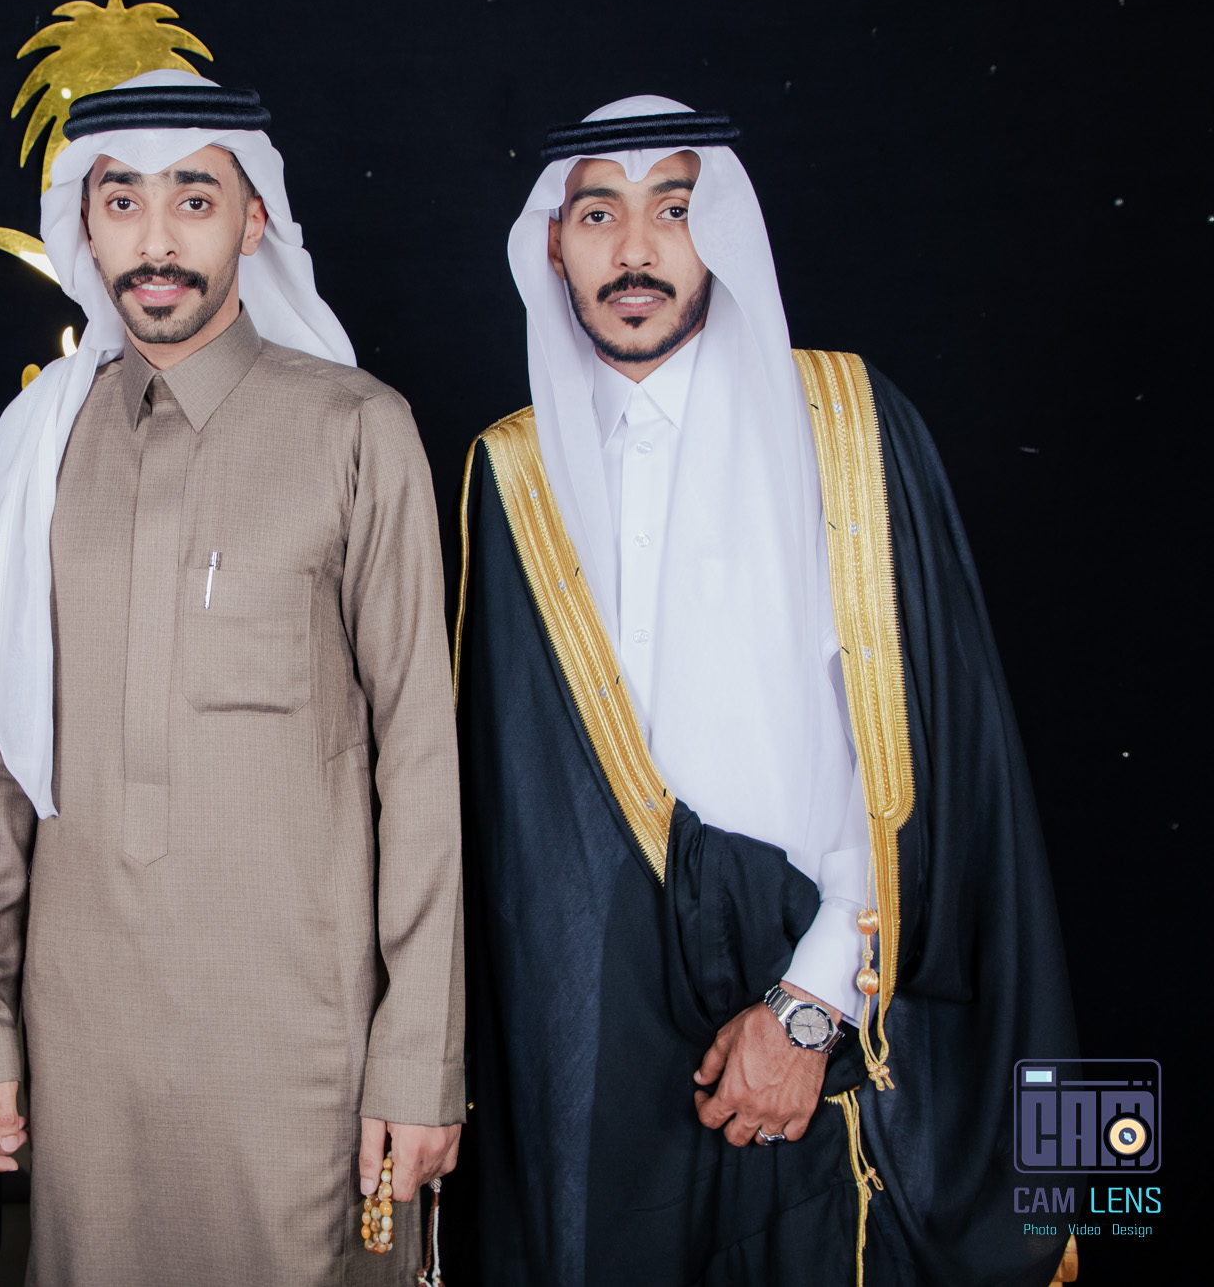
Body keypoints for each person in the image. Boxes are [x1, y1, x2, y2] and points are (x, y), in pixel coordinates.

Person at [451, 97, 1079, 1285]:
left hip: (824, 1012)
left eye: (674, 210)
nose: (635, 250)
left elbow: (921, 754)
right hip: (603, 1048)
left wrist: (807, 1006)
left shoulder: (842, 421)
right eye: (598, 215)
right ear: (552, 246)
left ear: (724, 233)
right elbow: (511, 820)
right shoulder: (507, 473)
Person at [0, 71, 465, 1285]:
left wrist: (417, 1057)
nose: (157, 239)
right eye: (121, 200)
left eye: (193, 197)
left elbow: (419, 763)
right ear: (84, 225)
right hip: (83, 1044)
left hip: (303, 1043)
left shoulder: (354, 427)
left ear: (253, 218)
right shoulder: (37, 446)